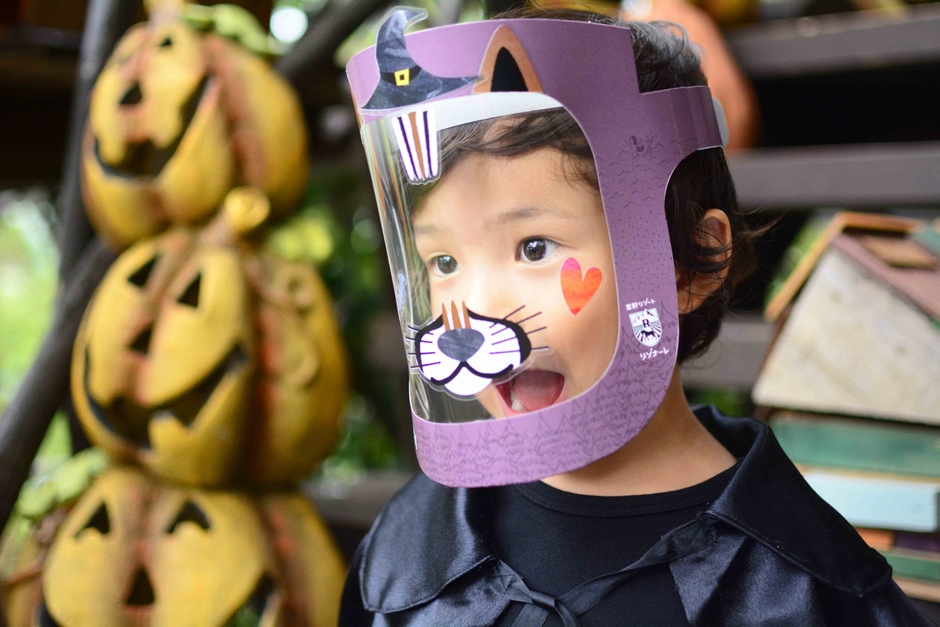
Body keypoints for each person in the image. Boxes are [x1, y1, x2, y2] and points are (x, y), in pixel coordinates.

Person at [339, 7, 929, 626]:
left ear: (688, 266)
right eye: (444, 261)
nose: (472, 311)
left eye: (534, 248)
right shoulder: (408, 552)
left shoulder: (804, 591)